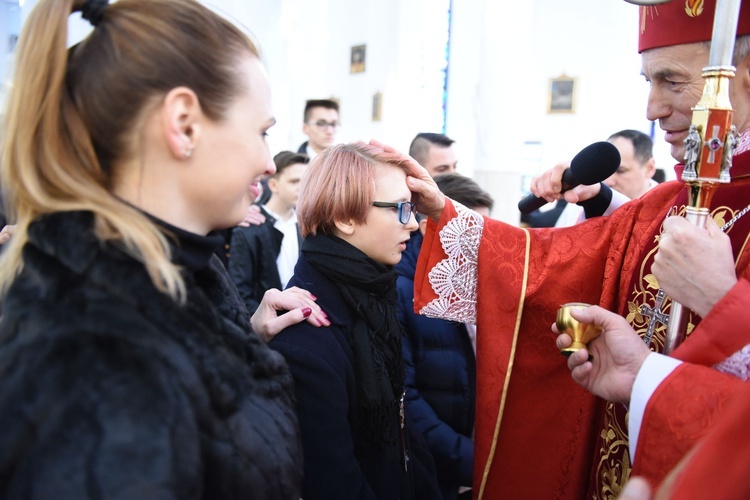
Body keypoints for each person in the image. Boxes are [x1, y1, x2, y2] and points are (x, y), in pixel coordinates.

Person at [404, 1, 750, 498]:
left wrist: (721, 301)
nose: (652, 108)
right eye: (648, 82)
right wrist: (443, 210)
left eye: (672, 82)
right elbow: (546, 264)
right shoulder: (666, 203)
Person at [0, 0, 329, 497]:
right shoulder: (96, 362)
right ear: (184, 124)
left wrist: (242, 336)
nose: (268, 162)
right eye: (262, 132)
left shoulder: (171, 270)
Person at [269, 142, 441, 499]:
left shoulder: (372, 295)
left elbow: (401, 430)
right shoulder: (307, 334)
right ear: (344, 217)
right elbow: (333, 483)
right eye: (401, 209)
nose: (412, 225)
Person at [398, 173, 493, 500]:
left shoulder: (463, 283)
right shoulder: (403, 292)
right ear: (430, 229)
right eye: (473, 236)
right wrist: (472, 460)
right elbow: (405, 401)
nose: (484, 247)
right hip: (429, 473)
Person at [228, 151, 308, 315]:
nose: (302, 188)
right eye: (294, 181)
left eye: (306, 181)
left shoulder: (307, 227)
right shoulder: (248, 229)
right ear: (273, 185)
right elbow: (240, 292)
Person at [553, 129, 658, 227]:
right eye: (604, 171)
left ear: (649, 168)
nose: (607, 181)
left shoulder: (665, 211)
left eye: (621, 171)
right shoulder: (579, 203)